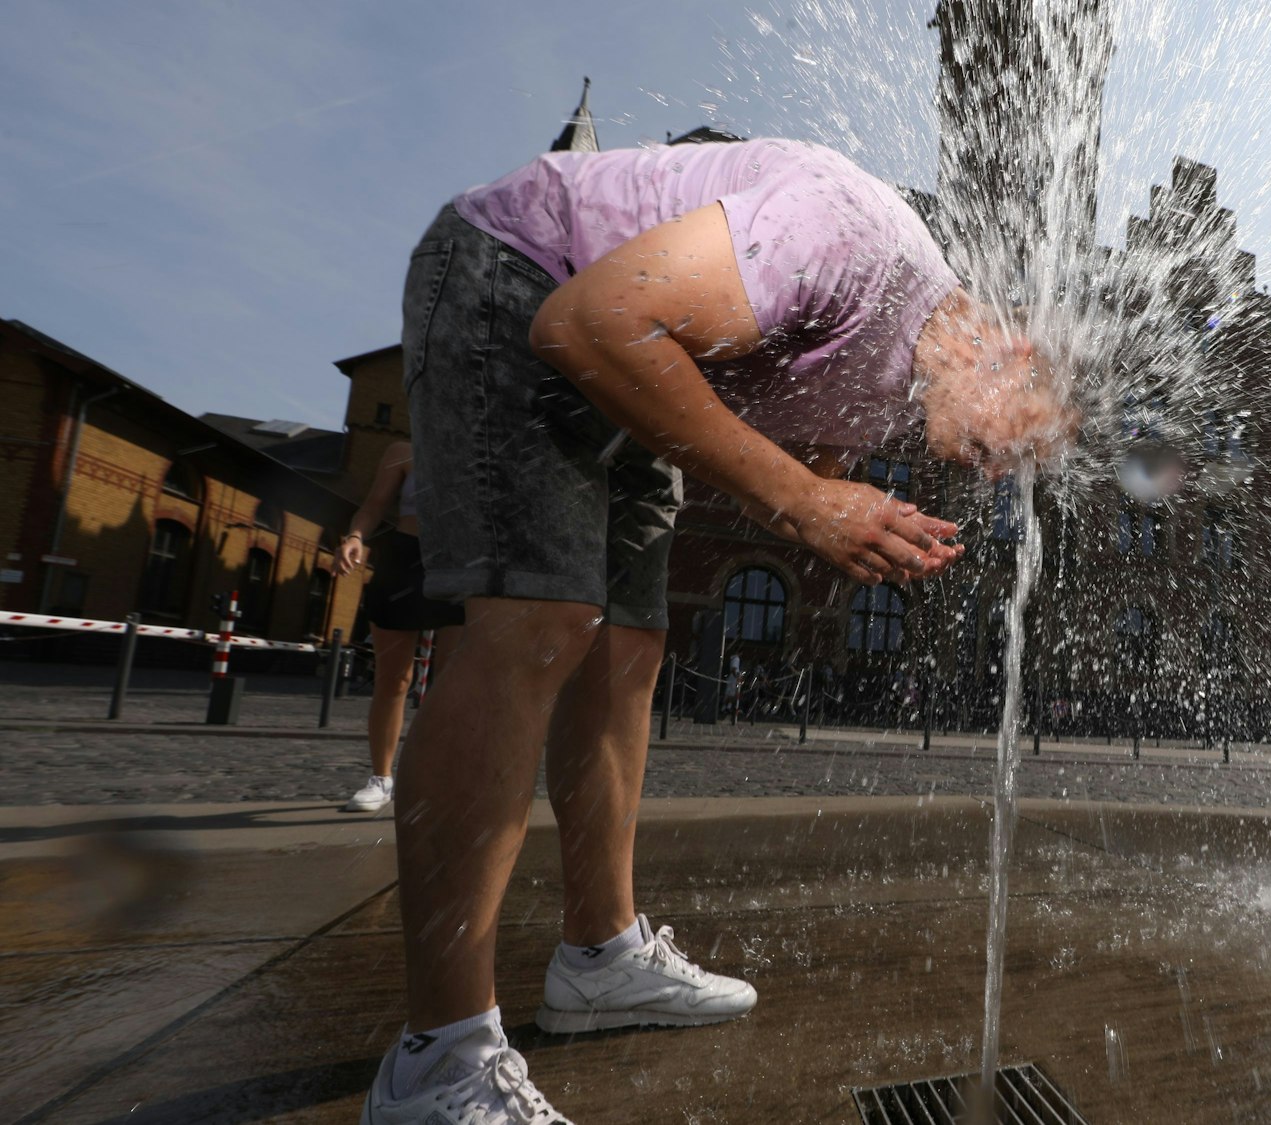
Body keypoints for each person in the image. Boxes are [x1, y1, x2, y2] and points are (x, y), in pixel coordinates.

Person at [363, 136, 1074, 1124]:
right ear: (1016, 354)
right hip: (519, 275)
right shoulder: (854, 239)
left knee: (626, 648)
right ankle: (436, 1063)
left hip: (628, 366)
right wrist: (807, 504)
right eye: (1022, 440)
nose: (1001, 470)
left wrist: (839, 513)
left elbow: (780, 466)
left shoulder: (899, 397)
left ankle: (600, 957)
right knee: (539, 622)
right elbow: (593, 321)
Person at [334, 440, 464, 814]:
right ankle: (381, 778)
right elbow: (373, 506)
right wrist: (355, 537)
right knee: (393, 679)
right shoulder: (404, 451)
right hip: (404, 560)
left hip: (458, 565)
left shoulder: (483, 444)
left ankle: (437, 776)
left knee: (451, 684)